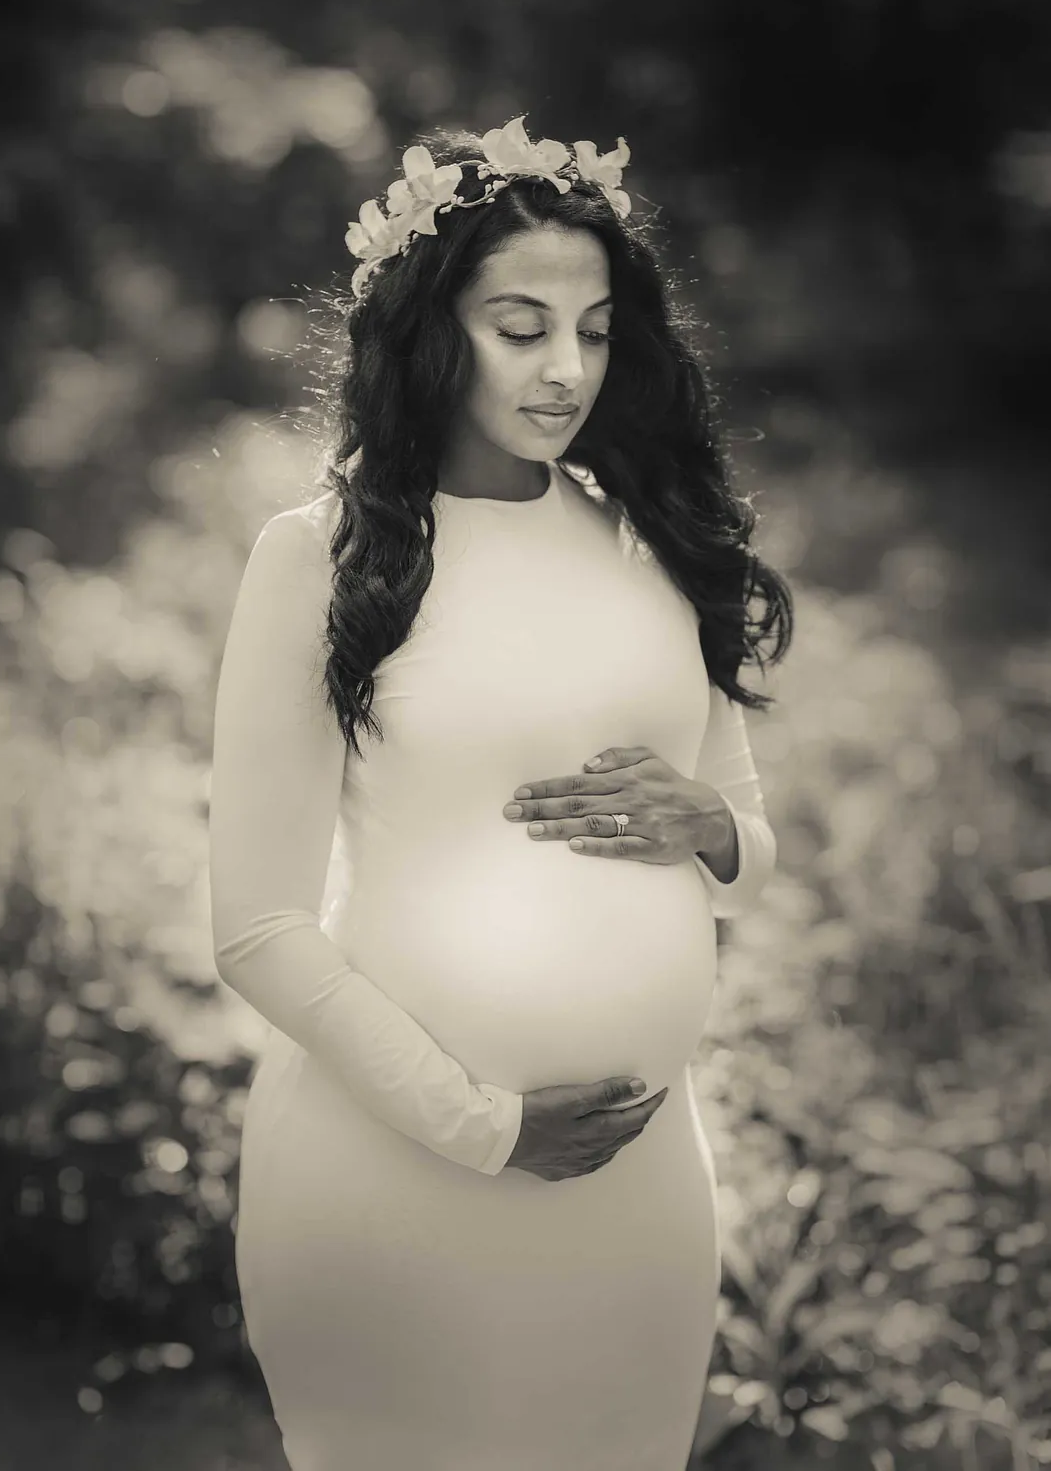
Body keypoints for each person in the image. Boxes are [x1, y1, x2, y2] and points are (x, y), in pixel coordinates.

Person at [208, 115, 793, 1471]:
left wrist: (707, 830)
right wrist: (484, 1127)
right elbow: (256, 928)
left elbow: (748, 843)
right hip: (397, 1178)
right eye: (518, 325)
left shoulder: (659, 542)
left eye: (592, 329)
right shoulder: (324, 559)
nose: (565, 367)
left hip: (641, 1191)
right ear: (431, 330)